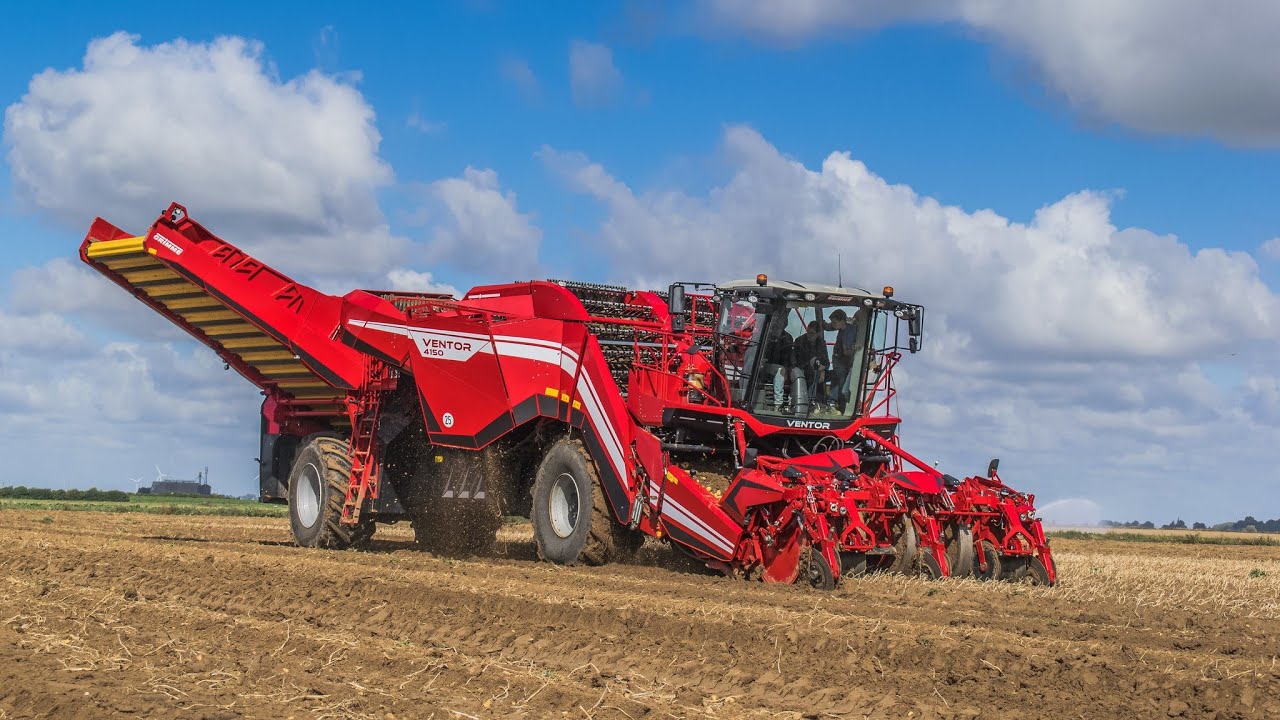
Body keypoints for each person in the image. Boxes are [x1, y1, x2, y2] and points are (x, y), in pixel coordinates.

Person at [791, 320, 829, 416]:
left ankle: (831, 403)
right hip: (801, 368)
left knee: (835, 375)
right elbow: (794, 360)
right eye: (808, 332)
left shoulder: (821, 343)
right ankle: (811, 401)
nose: (809, 335)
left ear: (818, 334)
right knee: (812, 372)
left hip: (817, 370)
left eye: (812, 333)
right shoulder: (799, 341)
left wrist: (823, 369)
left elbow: (826, 361)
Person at [825, 309, 858, 414]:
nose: (832, 325)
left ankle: (835, 404)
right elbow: (828, 327)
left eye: (834, 322)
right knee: (838, 379)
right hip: (840, 360)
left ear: (842, 321)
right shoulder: (843, 327)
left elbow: (847, 351)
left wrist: (854, 350)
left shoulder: (850, 331)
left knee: (841, 383)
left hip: (844, 360)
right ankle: (836, 404)